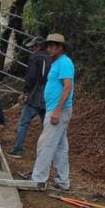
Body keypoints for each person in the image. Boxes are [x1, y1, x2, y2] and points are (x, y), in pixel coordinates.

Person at [31, 33, 75, 191]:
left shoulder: (64, 63)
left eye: (52, 45)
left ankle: (38, 180)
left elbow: (68, 87)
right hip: (56, 109)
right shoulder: (56, 62)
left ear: (60, 47)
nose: (49, 48)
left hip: (58, 110)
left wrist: (57, 111)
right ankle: (63, 181)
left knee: (46, 145)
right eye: (48, 45)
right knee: (60, 148)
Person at [7, 37, 50, 158]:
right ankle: (47, 152)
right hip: (48, 96)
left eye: (33, 47)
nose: (31, 49)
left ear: (38, 46)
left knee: (23, 123)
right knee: (46, 125)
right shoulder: (53, 58)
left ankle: (18, 149)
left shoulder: (34, 58)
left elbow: (30, 78)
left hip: (35, 95)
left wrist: (25, 92)